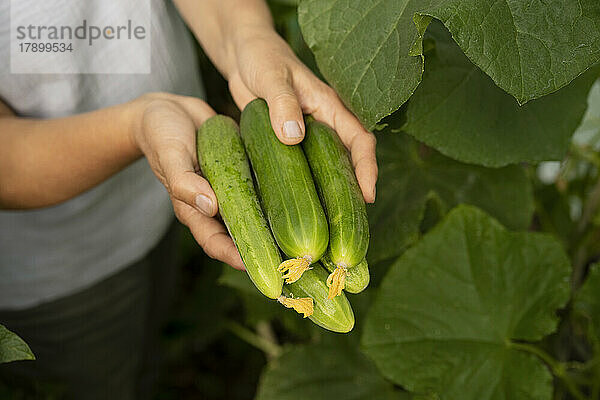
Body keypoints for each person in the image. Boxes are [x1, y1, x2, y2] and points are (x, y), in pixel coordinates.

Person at [0, 0, 377, 398]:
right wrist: (137, 126)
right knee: (97, 379)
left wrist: (246, 37)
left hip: (170, 193)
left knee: (148, 343)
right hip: (58, 265)